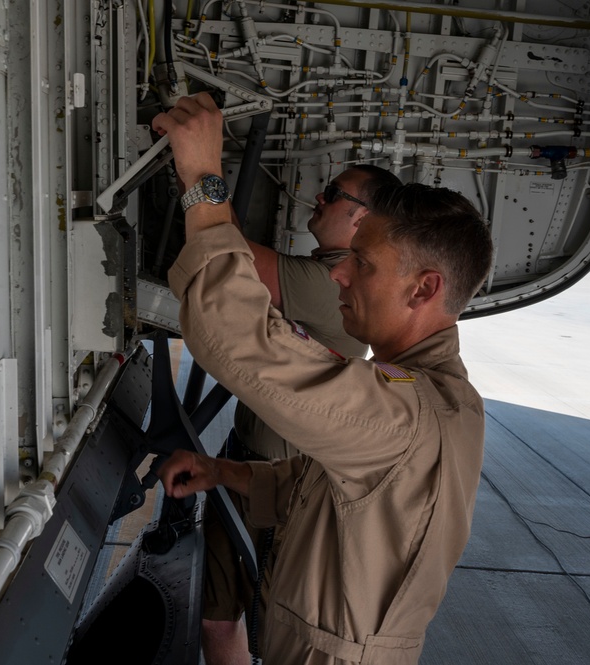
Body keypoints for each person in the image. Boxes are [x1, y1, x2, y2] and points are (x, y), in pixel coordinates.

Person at [151, 92, 494, 664]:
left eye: (362, 263)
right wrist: (221, 471)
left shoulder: (404, 414)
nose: (339, 277)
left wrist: (204, 180)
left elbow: (235, 336)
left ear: (424, 289)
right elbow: (310, 493)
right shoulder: (435, 397)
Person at [203, 164, 400, 665]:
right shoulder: (330, 276)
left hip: (276, 488)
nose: (319, 197)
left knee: (266, 634)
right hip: (249, 465)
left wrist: (201, 173)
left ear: (362, 219)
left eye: (333, 194)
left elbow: (228, 255)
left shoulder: (328, 285)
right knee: (219, 617)